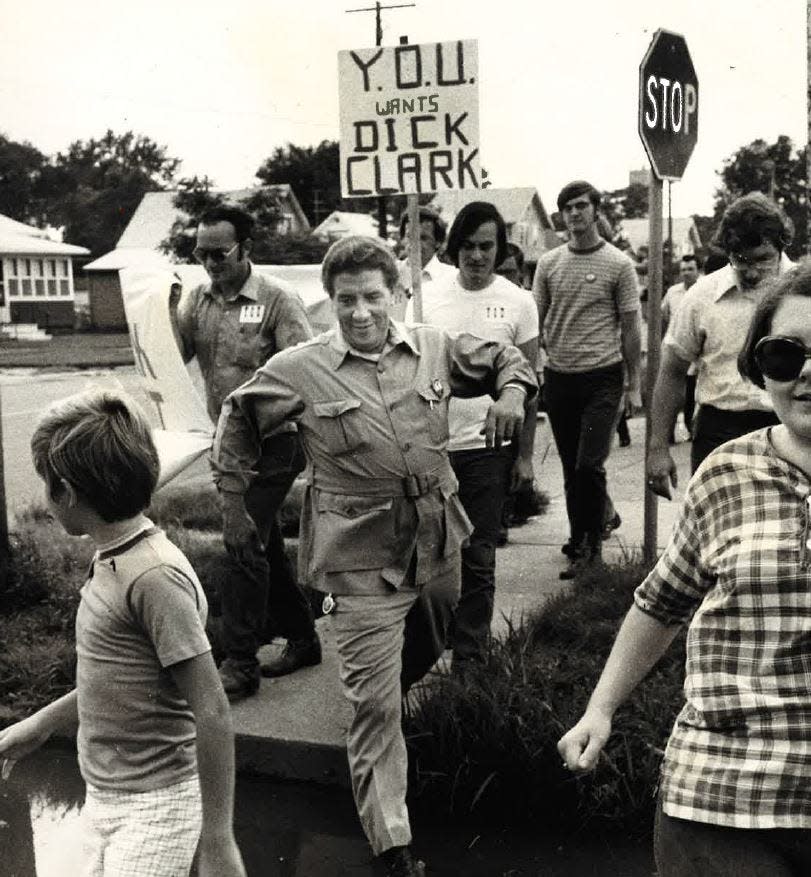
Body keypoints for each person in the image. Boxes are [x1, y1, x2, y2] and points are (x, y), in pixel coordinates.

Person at [212, 235, 537, 877]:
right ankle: (394, 845)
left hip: (437, 537)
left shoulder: (435, 347)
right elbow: (237, 416)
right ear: (329, 302)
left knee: (437, 628)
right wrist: (232, 505)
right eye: (345, 300)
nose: (359, 312)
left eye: (372, 297)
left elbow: (506, 359)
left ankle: (375, 694)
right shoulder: (300, 368)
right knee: (378, 707)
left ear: (396, 295)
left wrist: (513, 395)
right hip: (358, 547)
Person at [558, 261, 811, 876]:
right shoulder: (725, 472)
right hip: (724, 799)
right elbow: (662, 602)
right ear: (758, 366)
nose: (806, 373)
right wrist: (601, 708)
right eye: (785, 354)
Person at [0, 389, 245, 877]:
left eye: (46, 486)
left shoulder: (153, 577)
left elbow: (213, 710)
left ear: (66, 493)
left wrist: (218, 841)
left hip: (156, 807)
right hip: (105, 798)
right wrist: (40, 724)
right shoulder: (113, 557)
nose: (46, 500)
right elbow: (114, 679)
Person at [172, 204, 321, 700]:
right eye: (201, 253)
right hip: (229, 445)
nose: (210, 262)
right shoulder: (198, 300)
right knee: (262, 545)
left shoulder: (278, 300)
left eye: (220, 252)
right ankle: (303, 636)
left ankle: (239, 661)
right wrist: (161, 315)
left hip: (278, 440)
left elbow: (305, 374)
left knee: (241, 539)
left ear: (246, 249)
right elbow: (176, 358)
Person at [415, 201, 539, 665]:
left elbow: (529, 381)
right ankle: (433, 640)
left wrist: (524, 458)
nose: (476, 255)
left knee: (479, 553)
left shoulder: (519, 301)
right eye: (467, 246)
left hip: (489, 448)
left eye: (486, 246)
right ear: (454, 248)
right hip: (433, 446)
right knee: (431, 555)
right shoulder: (428, 297)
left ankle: (471, 656)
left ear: (499, 248)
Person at [647, 193, 794, 496]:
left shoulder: (803, 292)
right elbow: (672, 370)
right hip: (720, 431)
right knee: (716, 535)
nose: (752, 272)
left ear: (782, 246)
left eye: (763, 259)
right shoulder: (702, 296)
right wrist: (659, 447)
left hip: (791, 428)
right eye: (741, 260)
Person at [532, 180, 642, 578]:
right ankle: (581, 534)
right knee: (568, 465)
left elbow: (632, 327)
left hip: (602, 377)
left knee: (588, 465)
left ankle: (592, 548)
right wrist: (531, 369)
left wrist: (633, 384)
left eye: (581, 206)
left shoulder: (618, 264)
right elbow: (535, 319)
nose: (573, 214)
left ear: (596, 210)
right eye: (566, 208)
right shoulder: (549, 263)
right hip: (560, 376)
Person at [661, 254, 701, 442]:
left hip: (697, 351)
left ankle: (691, 427)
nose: (686, 273)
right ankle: (668, 432)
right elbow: (664, 316)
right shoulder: (672, 293)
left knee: (692, 394)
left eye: (690, 269)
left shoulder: (704, 290)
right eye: (683, 269)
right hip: (676, 347)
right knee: (674, 392)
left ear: (698, 271)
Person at [396, 206, 454, 319]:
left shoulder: (451, 277)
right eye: (409, 236)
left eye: (423, 238)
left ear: (438, 242)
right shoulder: (391, 274)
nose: (414, 244)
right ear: (403, 239)